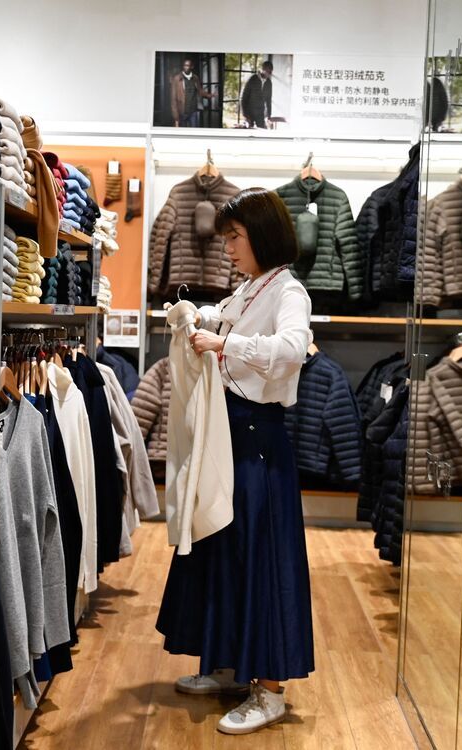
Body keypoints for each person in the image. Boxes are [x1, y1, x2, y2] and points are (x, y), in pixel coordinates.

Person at [155, 188, 315, 735]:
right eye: (226, 238)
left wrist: (226, 347)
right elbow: (219, 318)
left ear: (261, 236)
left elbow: (294, 348)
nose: (227, 248)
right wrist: (196, 319)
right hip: (232, 439)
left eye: (234, 237)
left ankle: (268, 690)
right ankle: (228, 665)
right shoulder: (249, 289)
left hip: (260, 442)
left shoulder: (288, 291)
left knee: (260, 556)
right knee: (224, 546)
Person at [170, 58, 214, 128]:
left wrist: (209, 95)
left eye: (188, 65)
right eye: (184, 65)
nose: (186, 67)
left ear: (192, 67)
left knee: (194, 131)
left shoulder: (195, 78)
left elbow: (200, 91)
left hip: (193, 111)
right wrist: (176, 117)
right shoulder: (177, 79)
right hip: (182, 112)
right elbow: (173, 99)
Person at [241, 60, 274, 128]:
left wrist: (268, 116)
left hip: (260, 113)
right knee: (249, 134)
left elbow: (268, 101)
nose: (270, 74)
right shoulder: (252, 79)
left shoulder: (269, 83)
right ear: (263, 70)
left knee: (262, 132)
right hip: (249, 113)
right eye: (268, 71)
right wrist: (245, 115)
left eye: (271, 71)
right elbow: (243, 98)